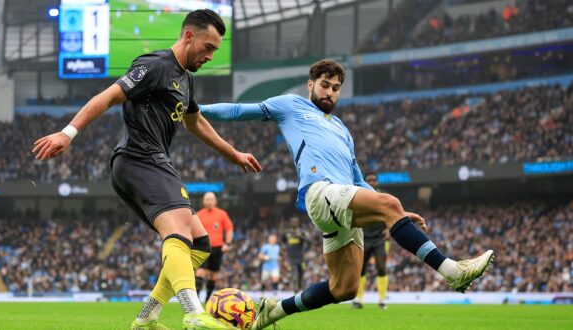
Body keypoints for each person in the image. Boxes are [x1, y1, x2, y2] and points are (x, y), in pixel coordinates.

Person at [200, 59, 495, 329]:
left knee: (345, 288)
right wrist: (196, 110)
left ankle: (272, 312)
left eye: (336, 88)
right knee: (389, 202)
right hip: (320, 192)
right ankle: (452, 271)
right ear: (311, 84)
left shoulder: (342, 129)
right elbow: (241, 111)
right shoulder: (290, 105)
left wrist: (398, 214)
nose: (330, 92)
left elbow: (358, 181)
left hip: (342, 200)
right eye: (324, 85)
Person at [32, 9, 261, 330]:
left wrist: (233, 153)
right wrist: (68, 132)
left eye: (216, 50)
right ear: (188, 36)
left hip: (153, 162)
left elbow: (196, 123)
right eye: (208, 47)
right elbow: (108, 96)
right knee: (179, 232)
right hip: (138, 158)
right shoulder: (154, 66)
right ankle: (193, 311)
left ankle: (147, 317)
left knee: (200, 243)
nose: (211, 55)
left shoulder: (185, 80)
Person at [352, 172, 390, 309]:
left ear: (377, 182)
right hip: (363, 237)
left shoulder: (383, 197)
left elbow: (389, 213)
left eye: (374, 180)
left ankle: (382, 300)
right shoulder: (358, 195)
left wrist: (388, 229)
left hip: (380, 237)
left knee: (381, 267)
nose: (372, 182)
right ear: (365, 181)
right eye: (369, 180)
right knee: (361, 269)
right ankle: (358, 300)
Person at [195, 192, 234, 303]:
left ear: (215, 201)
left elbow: (229, 229)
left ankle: (207, 299)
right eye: (207, 199)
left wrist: (228, 243)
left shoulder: (222, 214)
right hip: (203, 247)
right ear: (203, 201)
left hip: (217, 248)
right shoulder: (198, 215)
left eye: (211, 199)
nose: (209, 201)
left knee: (212, 275)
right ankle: (196, 300)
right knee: (200, 272)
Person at [283, 217, 306, 293]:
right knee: (295, 274)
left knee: (301, 274)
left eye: (295, 222)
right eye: (292, 222)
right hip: (292, 258)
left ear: (298, 223)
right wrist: (284, 248)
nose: (294, 223)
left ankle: (300, 288)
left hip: (301, 258)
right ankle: (295, 291)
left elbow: (310, 241)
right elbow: (283, 240)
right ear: (290, 223)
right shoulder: (287, 233)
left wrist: (299, 236)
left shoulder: (301, 232)